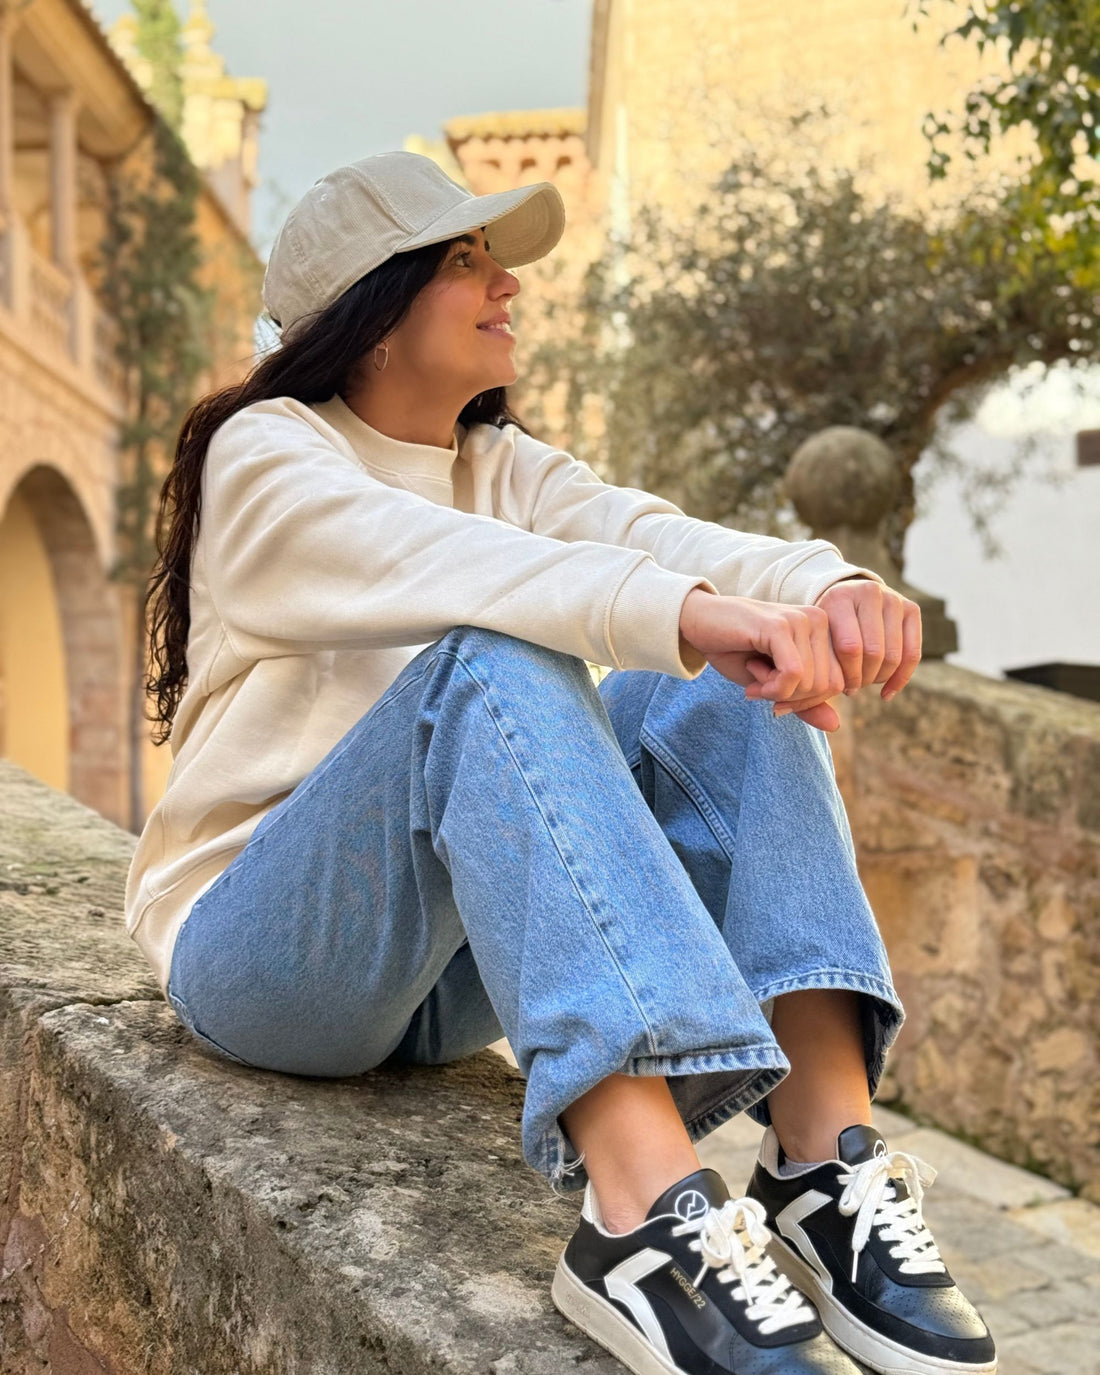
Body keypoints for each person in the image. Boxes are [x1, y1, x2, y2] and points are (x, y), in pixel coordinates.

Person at [128, 151, 996, 1375]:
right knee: (494, 652)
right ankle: (642, 1218)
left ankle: (820, 1156)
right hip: (268, 954)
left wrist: (821, 584)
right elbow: (455, 566)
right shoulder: (265, 453)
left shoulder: (500, 467)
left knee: (739, 682)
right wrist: (684, 612)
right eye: (464, 260)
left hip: (443, 975)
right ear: (369, 313)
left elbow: (651, 537)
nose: (507, 285)